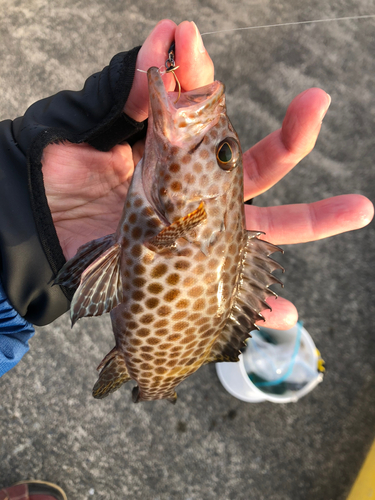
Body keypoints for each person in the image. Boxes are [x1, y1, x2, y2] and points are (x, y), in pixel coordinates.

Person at [0, 18, 373, 499]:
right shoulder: (167, 215)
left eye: (222, 154)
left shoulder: (168, 218)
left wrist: (14, 219)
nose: (217, 142)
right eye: (226, 154)